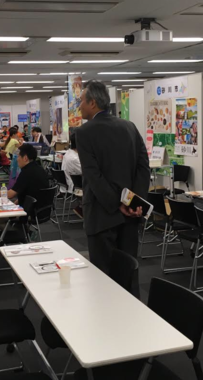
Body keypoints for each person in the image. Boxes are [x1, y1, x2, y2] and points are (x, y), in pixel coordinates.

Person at [75, 80, 150, 275]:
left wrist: (117, 204)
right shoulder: (130, 127)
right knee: (128, 273)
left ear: (92, 103)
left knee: (103, 276)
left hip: (101, 215)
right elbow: (143, 167)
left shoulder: (84, 132)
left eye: (81, 101)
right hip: (130, 216)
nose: (79, 106)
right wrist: (134, 203)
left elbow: (93, 175)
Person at [61, 133, 83, 218]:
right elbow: (85, 172)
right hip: (76, 186)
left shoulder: (68, 154)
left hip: (69, 183)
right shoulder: (74, 158)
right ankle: (82, 208)